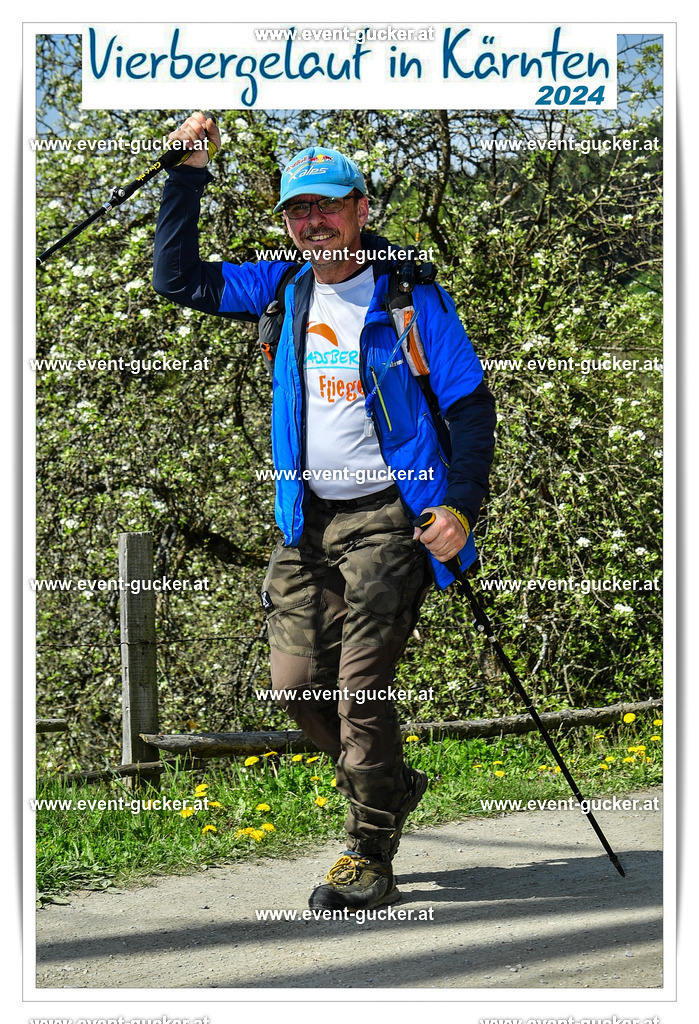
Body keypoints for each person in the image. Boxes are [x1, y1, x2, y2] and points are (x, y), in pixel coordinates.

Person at [153, 111, 496, 912]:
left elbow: (470, 407)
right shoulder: (282, 287)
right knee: (296, 686)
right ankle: (388, 782)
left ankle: (367, 852)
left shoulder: (411, 298)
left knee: (358, 688)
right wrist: (185, 175)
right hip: (306, 521)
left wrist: (459, 506)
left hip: (392, 517)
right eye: (298, 209)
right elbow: (178, 279)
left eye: (328, 206)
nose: (313, 222)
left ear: (360, 210)